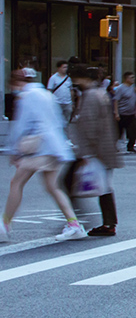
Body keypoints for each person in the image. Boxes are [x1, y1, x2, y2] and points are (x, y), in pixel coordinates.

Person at [3, 69, 85, 241]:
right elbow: (59, 120)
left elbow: (21, 125)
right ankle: (74, 224)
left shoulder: (27, 97)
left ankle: (5, 224)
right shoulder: (46, 94)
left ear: (16, 83)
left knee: (17, 182)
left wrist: (14, 150)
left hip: (39, 148)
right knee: (52, 186)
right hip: (54, 147)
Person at [71, 66, 123, 236]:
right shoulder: (100, 93)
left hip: (95, 150)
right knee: (105, 187)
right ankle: (109, 223)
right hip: (104, 148)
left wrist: (86, 153)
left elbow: (90, 125)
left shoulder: (91, 95)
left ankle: (73, 219)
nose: (74, 82)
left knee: (66, 184)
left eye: (76, 78)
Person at [113, 73, 136, 153]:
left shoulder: (133, 88)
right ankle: (113, 146)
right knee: (118, 132)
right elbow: (116, 100)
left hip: (131, 113)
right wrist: (116, 113)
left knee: (132, 131)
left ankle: (130, 146)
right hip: (122, 113)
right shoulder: (120, 88)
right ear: (126, 79)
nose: (133, 79)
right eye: (131, 78)